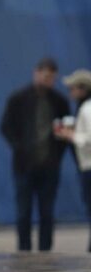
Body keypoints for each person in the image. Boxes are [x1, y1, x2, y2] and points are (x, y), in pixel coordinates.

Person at [0, 57, 70, 252]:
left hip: (49, 167)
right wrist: (19, 148)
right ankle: (24, 251)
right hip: (24, 167)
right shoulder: (18, 99)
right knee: (24, 212)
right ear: (36, 73)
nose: (48, 80)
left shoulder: (59, 102)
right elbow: (6, 127)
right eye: (45, 75)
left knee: (46, 213)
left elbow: (65, 131)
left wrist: (56, 156)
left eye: (52, 77)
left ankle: (45, 251)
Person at [52, 68, 91, 251]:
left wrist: (71, 135)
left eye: (73, 88)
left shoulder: (87, 108)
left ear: (83, 89)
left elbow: (89, 139)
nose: (71, 92)